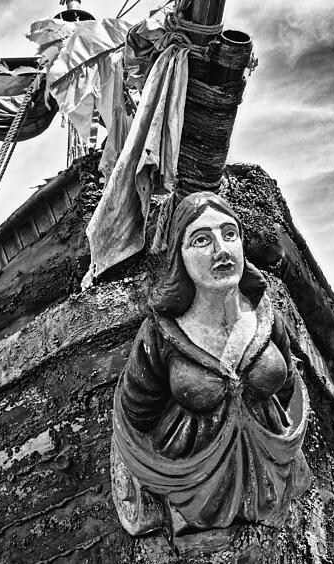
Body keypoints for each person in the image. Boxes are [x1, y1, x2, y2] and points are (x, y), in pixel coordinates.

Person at [112, 192, 310, 531]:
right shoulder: (163, 333)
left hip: (271, 478)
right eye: (202, 240)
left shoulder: (266, 318)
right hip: (190, 489)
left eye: (229, 234)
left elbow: (288, 385)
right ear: (180, 257)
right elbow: (136, 408)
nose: (221, 249)